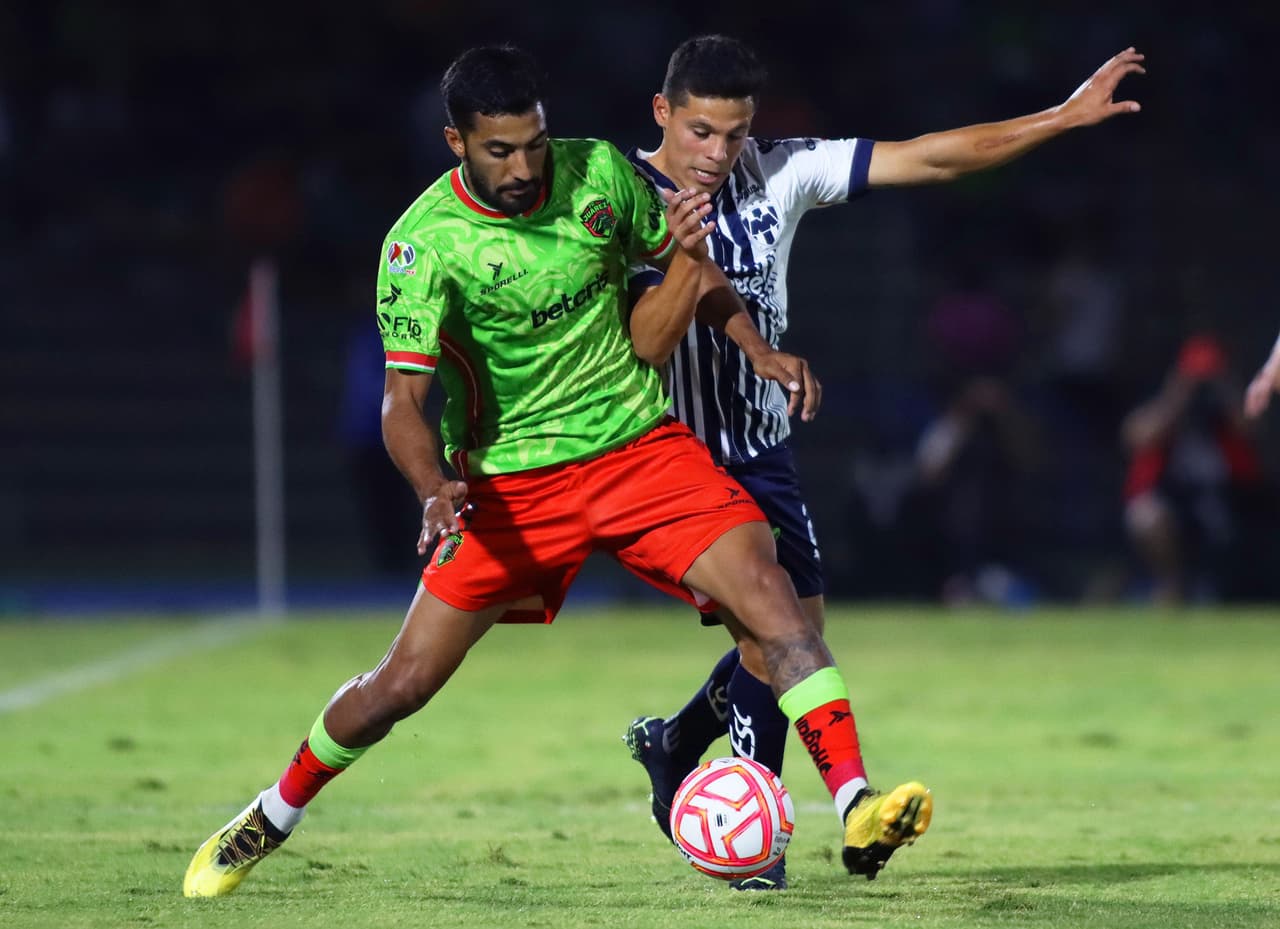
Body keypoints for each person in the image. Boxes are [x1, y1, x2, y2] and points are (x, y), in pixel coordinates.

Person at [182, 45, 931, 898]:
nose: (524, 165)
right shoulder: (423, 246)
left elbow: (694, 266)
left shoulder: (599, 176)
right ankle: (269, 815)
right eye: (500, 150)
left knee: (775, 596)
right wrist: (434, 488)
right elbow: (401, 400)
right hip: (511, 487)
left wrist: (756, 347)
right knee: (402, 684)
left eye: (534, 142)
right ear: (455, 141)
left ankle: (857, 802)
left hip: (638, 449)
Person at [621, 35, 1143, 889]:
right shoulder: (619, 192)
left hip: (761, 448)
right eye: (702, 132)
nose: (719, 154)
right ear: (663, 114)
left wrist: (1063, 116)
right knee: (771, 633)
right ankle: (774, 835)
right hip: (667, 456)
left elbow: (930, 157)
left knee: (798, 635)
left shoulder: (780, 169)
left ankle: (675, 743)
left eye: (736, 134)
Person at [1122, 334, 1271, 603]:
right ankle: (1171, 588)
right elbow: (1136, 436)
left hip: (1227, 500)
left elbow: (1252, 429)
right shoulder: (1168, 406)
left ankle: (1231, 592)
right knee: (1145, 515)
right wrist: (1181, 391)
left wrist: (1221, 384)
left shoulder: (1224, 412)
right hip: (1176, 500)